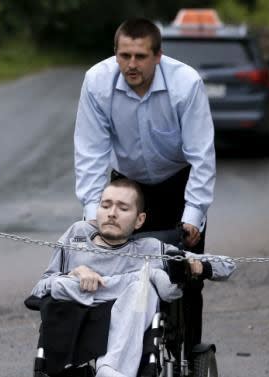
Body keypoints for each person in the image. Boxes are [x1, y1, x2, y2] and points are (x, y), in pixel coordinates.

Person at [73, 17, 216, 351]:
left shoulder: (186, 84)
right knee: (118, 270)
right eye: (124, 56)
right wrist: (93, 213)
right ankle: (124, 353)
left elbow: (202, 155)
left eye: (140, 56)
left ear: (158, 56)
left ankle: (187, 353)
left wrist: (194, 213)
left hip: (177, 181)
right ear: (115, 54)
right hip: (128, 184)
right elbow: (90, 152)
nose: (131, 65)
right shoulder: (97, 82)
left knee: (186, 275)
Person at [31, 179, 235, 377]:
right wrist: (74, 273)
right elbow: (40, 290)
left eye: (123, 208)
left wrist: (199, 266)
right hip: (77, 324)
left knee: (143, 285)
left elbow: (227, 265)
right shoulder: (77, 235)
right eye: (105, 205)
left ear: (139, 220)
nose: (111, 213)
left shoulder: (149, 250)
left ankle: (111, 369)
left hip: (127, 324)